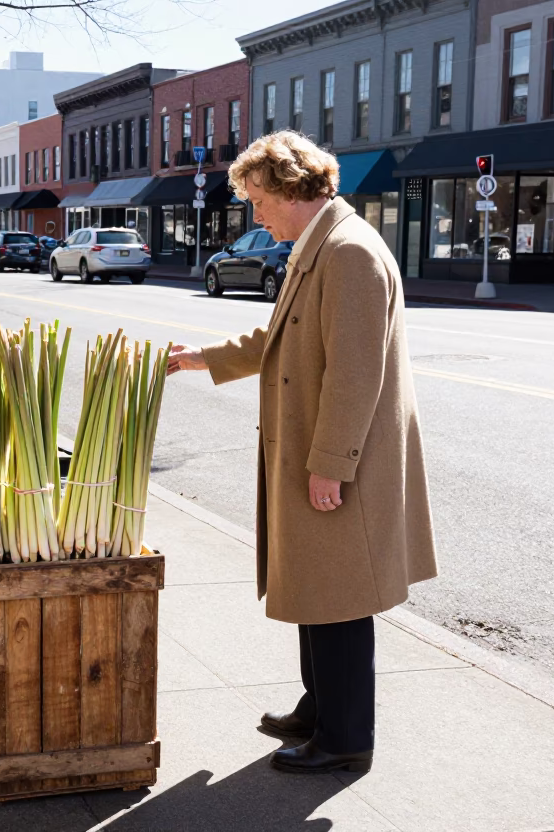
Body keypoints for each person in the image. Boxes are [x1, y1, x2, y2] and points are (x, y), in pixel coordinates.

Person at [168, 131, 438, 775]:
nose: (254, 214)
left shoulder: (347, 253)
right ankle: (320, 708)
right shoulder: (320, 245)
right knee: (319, 588)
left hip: (340, 462)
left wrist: (331, 466)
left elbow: (354, 373)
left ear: (293, 190)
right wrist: (204, 357)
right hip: (320, 454)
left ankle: (345, 739)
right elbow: (280, 332)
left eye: (259, 199)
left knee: (340, 599)